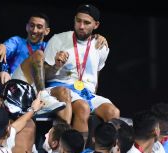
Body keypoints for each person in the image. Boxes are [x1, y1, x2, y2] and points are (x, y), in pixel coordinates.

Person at [43, 4, 119, 137]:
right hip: (59, 88)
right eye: (78, 21)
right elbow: (44, 77)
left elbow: (96, 72)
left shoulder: (101, 47)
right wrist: (56, 65)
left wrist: (91, 91)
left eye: (86, 23)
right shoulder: (58, 40)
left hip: (85, 92)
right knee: (83, 108)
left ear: (96, 25)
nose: (81, 26)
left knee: (113, 113)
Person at [0, 13, 67, 118]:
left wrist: (56, 66)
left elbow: (48, 74)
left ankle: (65, 131)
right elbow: (4, 51)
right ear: (27, 27)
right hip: (16, 85)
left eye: (39, 27)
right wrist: (3, 49)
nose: (34, 30)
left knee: (64, 92)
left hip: (36, 88)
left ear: (47, 31)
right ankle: (43, 96)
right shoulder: (17, 41)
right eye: (32, 26)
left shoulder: (49, 48)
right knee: (39, 54)